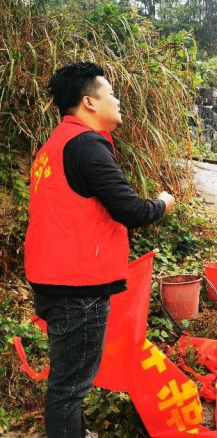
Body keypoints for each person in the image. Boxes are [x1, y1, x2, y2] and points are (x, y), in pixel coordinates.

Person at [24, 62, 175, 438]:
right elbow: (130, 209)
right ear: (89, 102)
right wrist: (162, 203)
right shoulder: (86, 144)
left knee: (68, 382)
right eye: (111, 93)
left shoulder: (53, 146)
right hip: (77, 288)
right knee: (68, 388)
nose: (118, 100)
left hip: (54, 281)